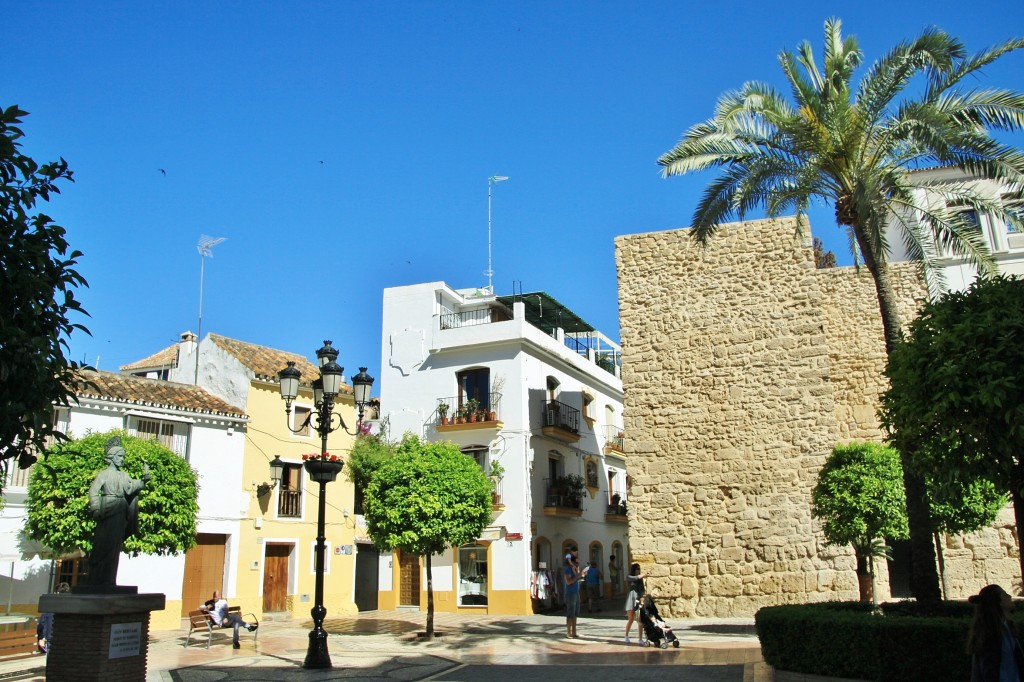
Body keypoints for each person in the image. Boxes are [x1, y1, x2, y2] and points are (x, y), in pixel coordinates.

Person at [87, 436, 150, 586]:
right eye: (120, 456)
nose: (122, 459)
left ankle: (109, 580)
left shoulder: (124, 475)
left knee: (115, 547)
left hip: (120, 511)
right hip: (108, 507)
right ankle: (97, 578)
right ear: (112, 457)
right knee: (103, 544)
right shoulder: (104, 474)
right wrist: (95, 509)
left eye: (123, 456)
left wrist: (144, 480)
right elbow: (93, 491)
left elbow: (131, 487)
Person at [967, 583, 1024, 682]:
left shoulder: (1008, 627)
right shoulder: (990, 633)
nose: (1010, 596)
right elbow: (988, 669)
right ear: (999, 601)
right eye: (1005, 594)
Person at [36, 582, 70, 653]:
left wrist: (41, 638)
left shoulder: (49, 607)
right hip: (66, 640)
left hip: (51, 639)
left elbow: (41, 625)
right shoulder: (70, 608)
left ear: (55, 593)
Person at [624, 562, 650, 644]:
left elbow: (642, 590)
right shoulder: (629, 576)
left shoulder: (640, 579)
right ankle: (626, 636)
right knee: (631, 619)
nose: (639, 570)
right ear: (634, 569)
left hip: (638, 600)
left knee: (640, 621)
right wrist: (644, 575)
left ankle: (640, 639)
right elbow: (635, 578)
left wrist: (642, 600)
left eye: (639, 569)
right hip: (631, 600)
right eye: (637, 569)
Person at [563, 547, 584, 639]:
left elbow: (577, 577)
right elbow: (568, 581)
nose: (577, 563)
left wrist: (580, 574)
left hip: (576, 592)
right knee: (570, 613)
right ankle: (568, 632)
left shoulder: (574, 569)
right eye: (576, 562)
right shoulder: (567, 570)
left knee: (575, 613)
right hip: (570, 593)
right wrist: (578, 577)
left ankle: (574, 632)